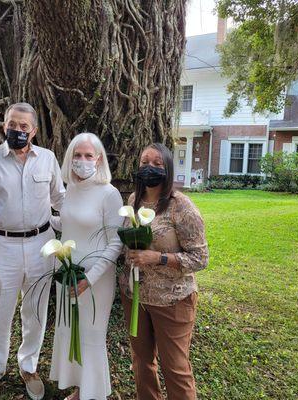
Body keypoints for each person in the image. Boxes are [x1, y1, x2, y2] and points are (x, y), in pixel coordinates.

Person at [0, 102, 66, 400]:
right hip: (2, 245)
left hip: (41, 244)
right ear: (3, 126)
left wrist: (86, 222)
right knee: (1, 311)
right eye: (13, 124)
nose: (18, 130)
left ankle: (29, 366)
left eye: (24, 126)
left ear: (34, 131)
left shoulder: (48, 159)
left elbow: (60, 199)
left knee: (35, 310)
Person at [119, 143, 209, 400]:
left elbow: (200, 258)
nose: (150, 168)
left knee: (175, 369)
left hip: (172, 300)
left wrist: (159, 258)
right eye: (144, 162)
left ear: (168, 168)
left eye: (157, 164)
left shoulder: (181, 206)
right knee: (142, 363)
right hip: (135, 297)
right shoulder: (134, 201)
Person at [49, 133, 123, 400]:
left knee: (91, 337)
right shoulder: (70, 189)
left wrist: (89, 279)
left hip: (95, 281)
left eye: (88, 155)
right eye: (77, 155)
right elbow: (68, 223)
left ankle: (93, 394)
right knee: (71, 333)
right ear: (70, 158)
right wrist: (39, 216)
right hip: (68, 275)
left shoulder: (109, 193)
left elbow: (115, 243)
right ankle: (81, 390)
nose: (82, 161)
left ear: (98, 159)